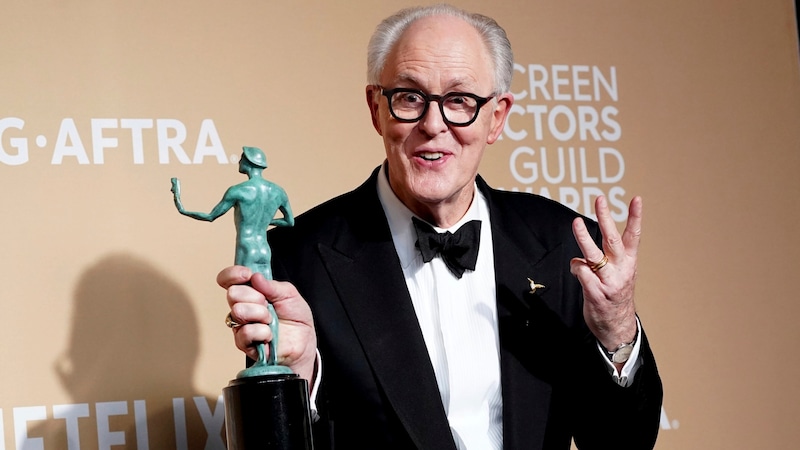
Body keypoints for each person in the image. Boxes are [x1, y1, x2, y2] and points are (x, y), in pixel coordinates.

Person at [217, 4, 662, 449]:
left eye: (460, 101)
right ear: (377, 109)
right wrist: (298, 378)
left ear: (497, 117)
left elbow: (622, 442)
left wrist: (618, 332)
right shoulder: (297, 258)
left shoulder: (564, 243)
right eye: (409, 97)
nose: (434, 125)